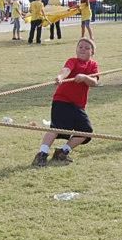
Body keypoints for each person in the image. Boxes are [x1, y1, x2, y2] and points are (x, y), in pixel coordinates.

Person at [31, 38, 100, 167]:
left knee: (86, 131)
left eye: (87, 48)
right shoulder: (72, 61)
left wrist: (85, 77)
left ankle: (62, 152)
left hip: (78, 105)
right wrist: (60, 77)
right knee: (57, 127)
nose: (83, 49)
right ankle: (42, 154)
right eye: (80, 47)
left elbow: (95, 82)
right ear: (76, 49)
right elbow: (66, 70)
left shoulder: (93, 65)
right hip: (62, 100)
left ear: (92, 52)